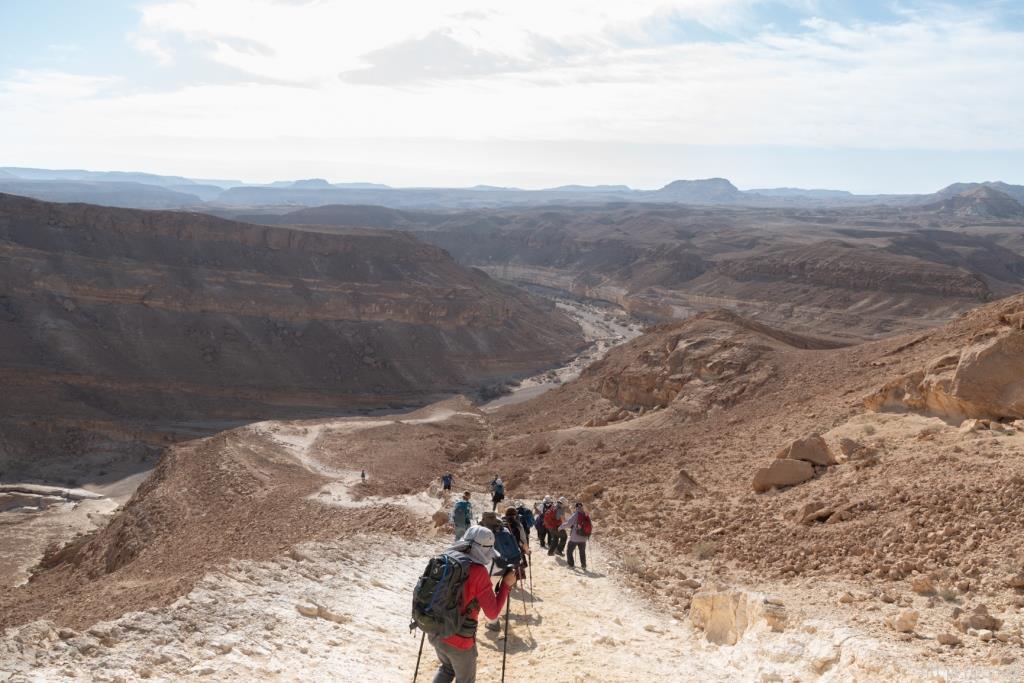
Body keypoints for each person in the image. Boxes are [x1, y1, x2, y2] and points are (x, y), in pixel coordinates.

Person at [427, 525, 516, 683]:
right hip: (459, 639)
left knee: (447, 668)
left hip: (435, 629)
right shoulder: (478, 572)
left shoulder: (445, 557)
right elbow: (492, 614)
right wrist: (506, 586)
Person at [559, 502, 592, 570]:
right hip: (584, 537)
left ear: (576, 507)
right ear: (582, 507)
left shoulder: (576, 514)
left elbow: (568, 524)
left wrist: (560, 527)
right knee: (582, 552)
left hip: (575, 537)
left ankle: (571, 565)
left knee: (569, 551)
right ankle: (583, 565)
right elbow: (590, 526)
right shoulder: (586, 514)